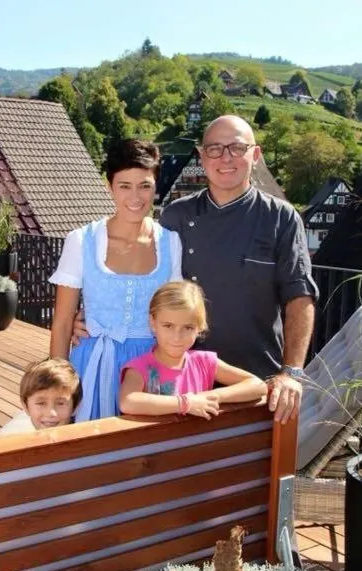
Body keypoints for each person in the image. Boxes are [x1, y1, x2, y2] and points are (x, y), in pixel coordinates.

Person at [158, 115, 318, 424]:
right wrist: (89, 314)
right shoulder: (177, 215)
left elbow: (300, 296)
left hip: (257, 385)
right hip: (183, 383)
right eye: (215, 149)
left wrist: (292, 373)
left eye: (236, 147)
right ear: (201, 156)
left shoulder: (280, 218)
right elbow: (147, 279)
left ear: (255, 155)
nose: (226, 157)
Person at [49, 138, 182, 422]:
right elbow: (62, 323)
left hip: (149, 369)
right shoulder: (81, 240)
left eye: (144, 185)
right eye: (125, 186)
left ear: (156, 186)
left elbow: (177, 315)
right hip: (91, 363)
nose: (135, 197)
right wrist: (57, 394)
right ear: (109, 187)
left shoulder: (171, 243)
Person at [119, 281, 267, 418]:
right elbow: (127, 402)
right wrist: (185, 403)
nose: (177, 337)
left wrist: (213, 397)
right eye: (168, 326)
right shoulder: (138, 368)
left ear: (200, 328)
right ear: (153, 322)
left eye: (188, 327)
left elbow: (258, 386)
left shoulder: (204, 362)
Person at [0, 358, 82, 436]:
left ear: (75, 406)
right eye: (41, 403)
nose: (51, 413)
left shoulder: (87, 449)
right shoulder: (11, 442)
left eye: (60, 403)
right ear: (26, 406)